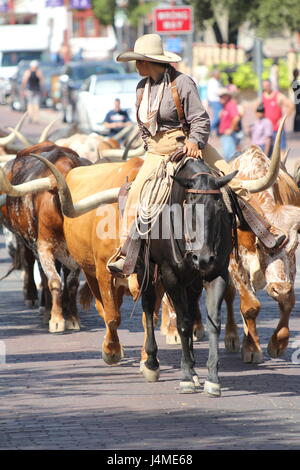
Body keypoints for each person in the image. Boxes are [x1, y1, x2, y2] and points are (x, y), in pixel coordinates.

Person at [107, 34, 285, 275]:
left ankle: (267, 233)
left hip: (187, 143)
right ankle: (127, 253)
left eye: (139, 60)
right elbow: (143, 125)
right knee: (136, 197)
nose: (136, 65)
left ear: (150, 61)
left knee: (233, 182)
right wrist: (151, 145)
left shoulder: (182, 83)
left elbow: (200, 118)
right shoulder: (142, 88)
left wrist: (194, 141)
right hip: (157, 151)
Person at [262, 79, 294, 155]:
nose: (266, 87)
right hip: (267, 129)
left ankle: (281, 165)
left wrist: (284, 119)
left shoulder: (278, 96)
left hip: (277, 128)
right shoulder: (262, 96)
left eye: (267, 85)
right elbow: (256, 108)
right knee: (268, 151)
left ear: (270, 85)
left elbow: (291, 105)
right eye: (264, 86)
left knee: (281, 149)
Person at [218, 88, 241, 161]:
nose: (220, 98)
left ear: (227, 96)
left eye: (222, 96)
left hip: (228, 135)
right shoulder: (225, 106)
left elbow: (236, 118)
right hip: (225, 135)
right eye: (220, 96)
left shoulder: (230, 105)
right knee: (228, 156)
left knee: (230, 157)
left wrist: (231, 129)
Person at [206, 69, 222, 135]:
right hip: (215, 100)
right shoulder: (213, 82)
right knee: (217, 116)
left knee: (219, 116)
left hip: (214, 100)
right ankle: (210, 130)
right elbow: (216, 92)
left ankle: (218, 131)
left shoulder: (214, 81)